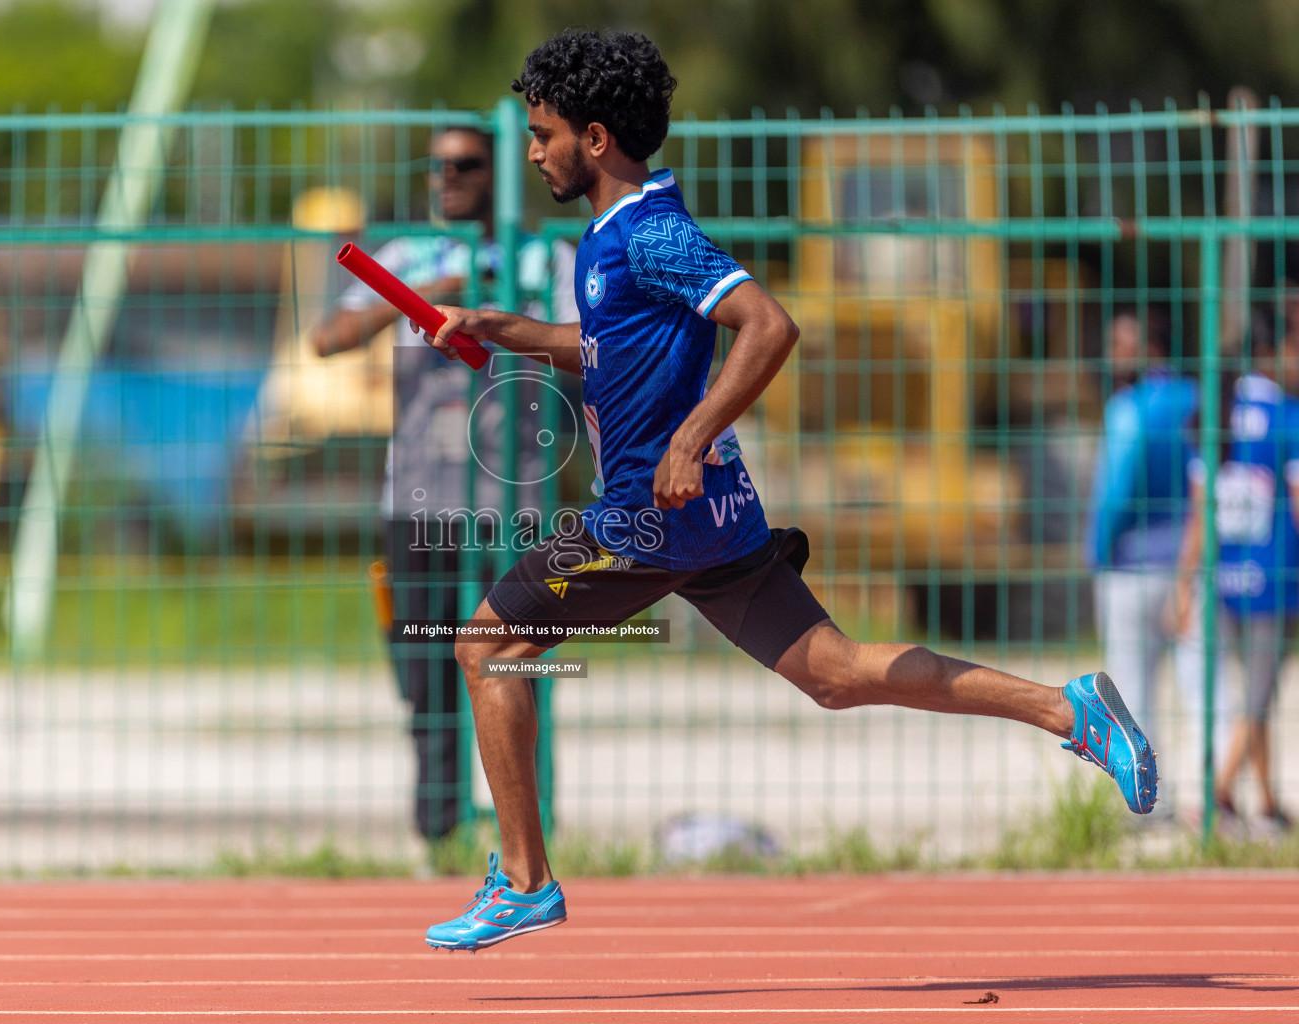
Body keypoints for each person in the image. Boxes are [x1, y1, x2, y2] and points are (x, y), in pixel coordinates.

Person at [415, 29, 1157, 951]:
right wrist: (504, 328)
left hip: (652, 513)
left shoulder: (652, 233)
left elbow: (768, 324)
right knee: (835, 674)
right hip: (711, 519)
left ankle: (523, 881)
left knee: (487, 645)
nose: (530, 151)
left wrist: (689, 437)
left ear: (595, 138)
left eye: (542, 132)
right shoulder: (611, 238)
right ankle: (1067, 706)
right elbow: (609, 349)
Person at [309, 127, 577, 844]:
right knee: (424, 670)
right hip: (419, 498)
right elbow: (326, 339)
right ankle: (439, 831)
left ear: (499, 172)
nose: (447, 177)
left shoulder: (542, 258)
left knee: (516, 665)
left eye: (464, 164)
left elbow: (586, 349)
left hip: (514, 499)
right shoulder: (403, 260)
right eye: (437, 165)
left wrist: (498, 313)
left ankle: (524, 829)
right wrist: (425, 297)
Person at [1086, 309, 1224, 824]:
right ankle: (1215, 798)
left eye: (1120, 343)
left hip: (1129, 566)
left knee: (1131, 693)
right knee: (1204, 685)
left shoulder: (1126, 408)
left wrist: (1096, 551)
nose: (1111, 353)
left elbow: (1115, 491)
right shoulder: (1196, 399)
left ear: (1149, 347)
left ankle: (1146, 807)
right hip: (1190, 563)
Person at [1166, 310, 1298, 838]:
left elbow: (1201, 511)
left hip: (1224, 577)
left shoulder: (1216, 411)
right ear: (1272, 352)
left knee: (1251, 695)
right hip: (1274, 577)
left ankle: (1265, 801)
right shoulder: (1287, 416)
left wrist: (1183, 583)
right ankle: (1214, 794)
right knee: (1260, 696)